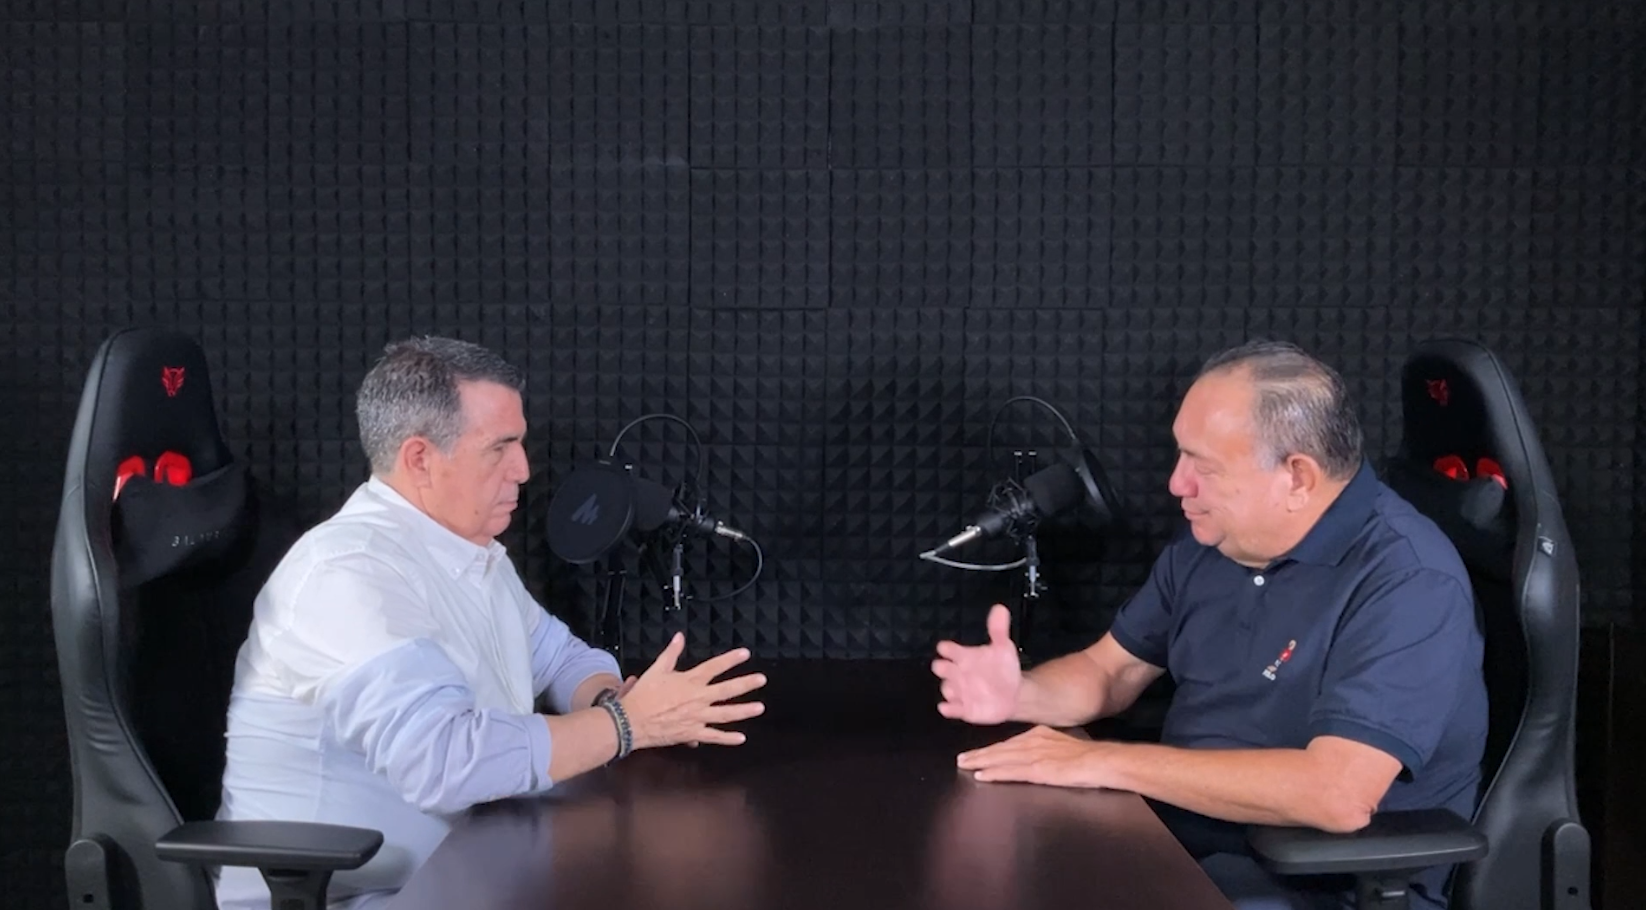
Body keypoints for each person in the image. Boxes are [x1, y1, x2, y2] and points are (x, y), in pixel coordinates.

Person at [931, 340, 1488, 910]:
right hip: (1181, 843)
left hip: (1307, 886)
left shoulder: (1409, 581)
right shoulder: (1215, 540)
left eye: (1204, 465)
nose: (1178, 484)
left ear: (1297, 476)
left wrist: (1100, 761)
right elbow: (1109, 671)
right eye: (1181, 455)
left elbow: (1337, 794)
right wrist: (1021, 693)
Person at [213, 336, 767, 910]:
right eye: (500, 448)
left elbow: (558, 656)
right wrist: (626, 725)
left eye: (520, 444)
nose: (523, 470)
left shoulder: (469, 554)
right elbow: (443, 763)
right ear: (420, 459)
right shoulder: (346, 575)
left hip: (466, 860)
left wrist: (608, 697)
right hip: (360, 895)